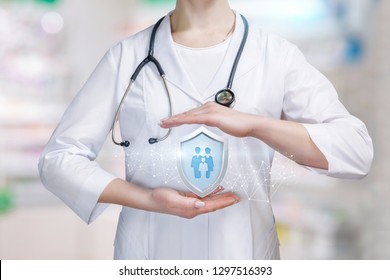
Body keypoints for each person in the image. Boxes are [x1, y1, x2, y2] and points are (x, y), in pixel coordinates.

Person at [38, 0, 373, 259]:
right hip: (150, 253)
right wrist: (148, 199)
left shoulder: (276, 57)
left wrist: (256, 125)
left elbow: (355, 152)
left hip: (244, 254)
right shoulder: (127, 57)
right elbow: (59, 159)